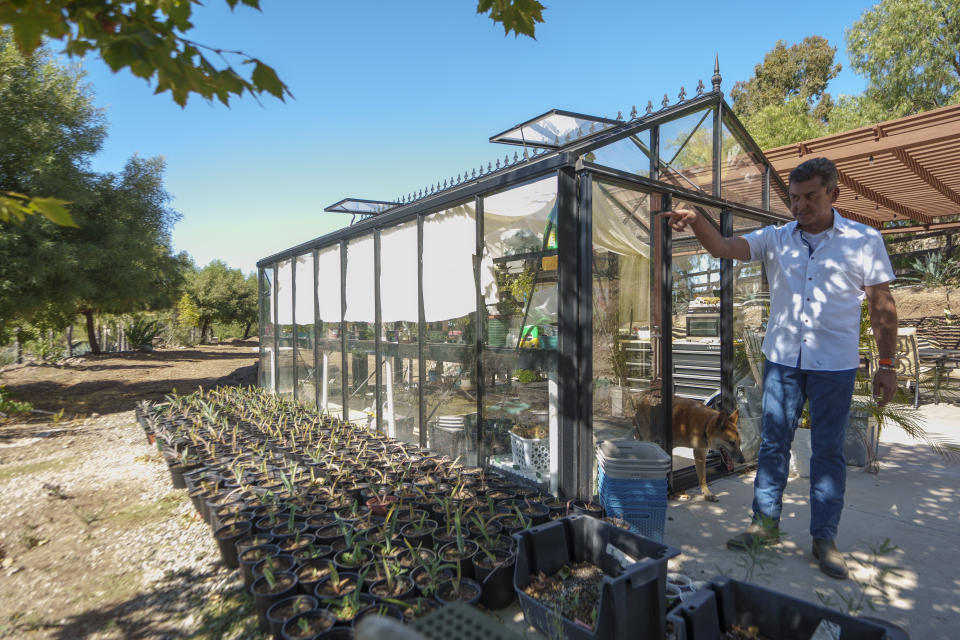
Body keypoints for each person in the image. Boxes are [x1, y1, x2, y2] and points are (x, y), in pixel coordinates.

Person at [661, 157, 898, 579]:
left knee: (828, 452)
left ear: (833, 195)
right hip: (784, 363)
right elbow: (724, 248)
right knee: (772, 446)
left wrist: (887, 364)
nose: (800, 205)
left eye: (810, 197)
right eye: (794, 197)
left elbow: (882, 306)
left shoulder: (864, 240)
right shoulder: (776, 239)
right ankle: (763, 525)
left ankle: (824, 539)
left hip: (834, 367)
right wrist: (697, 221)